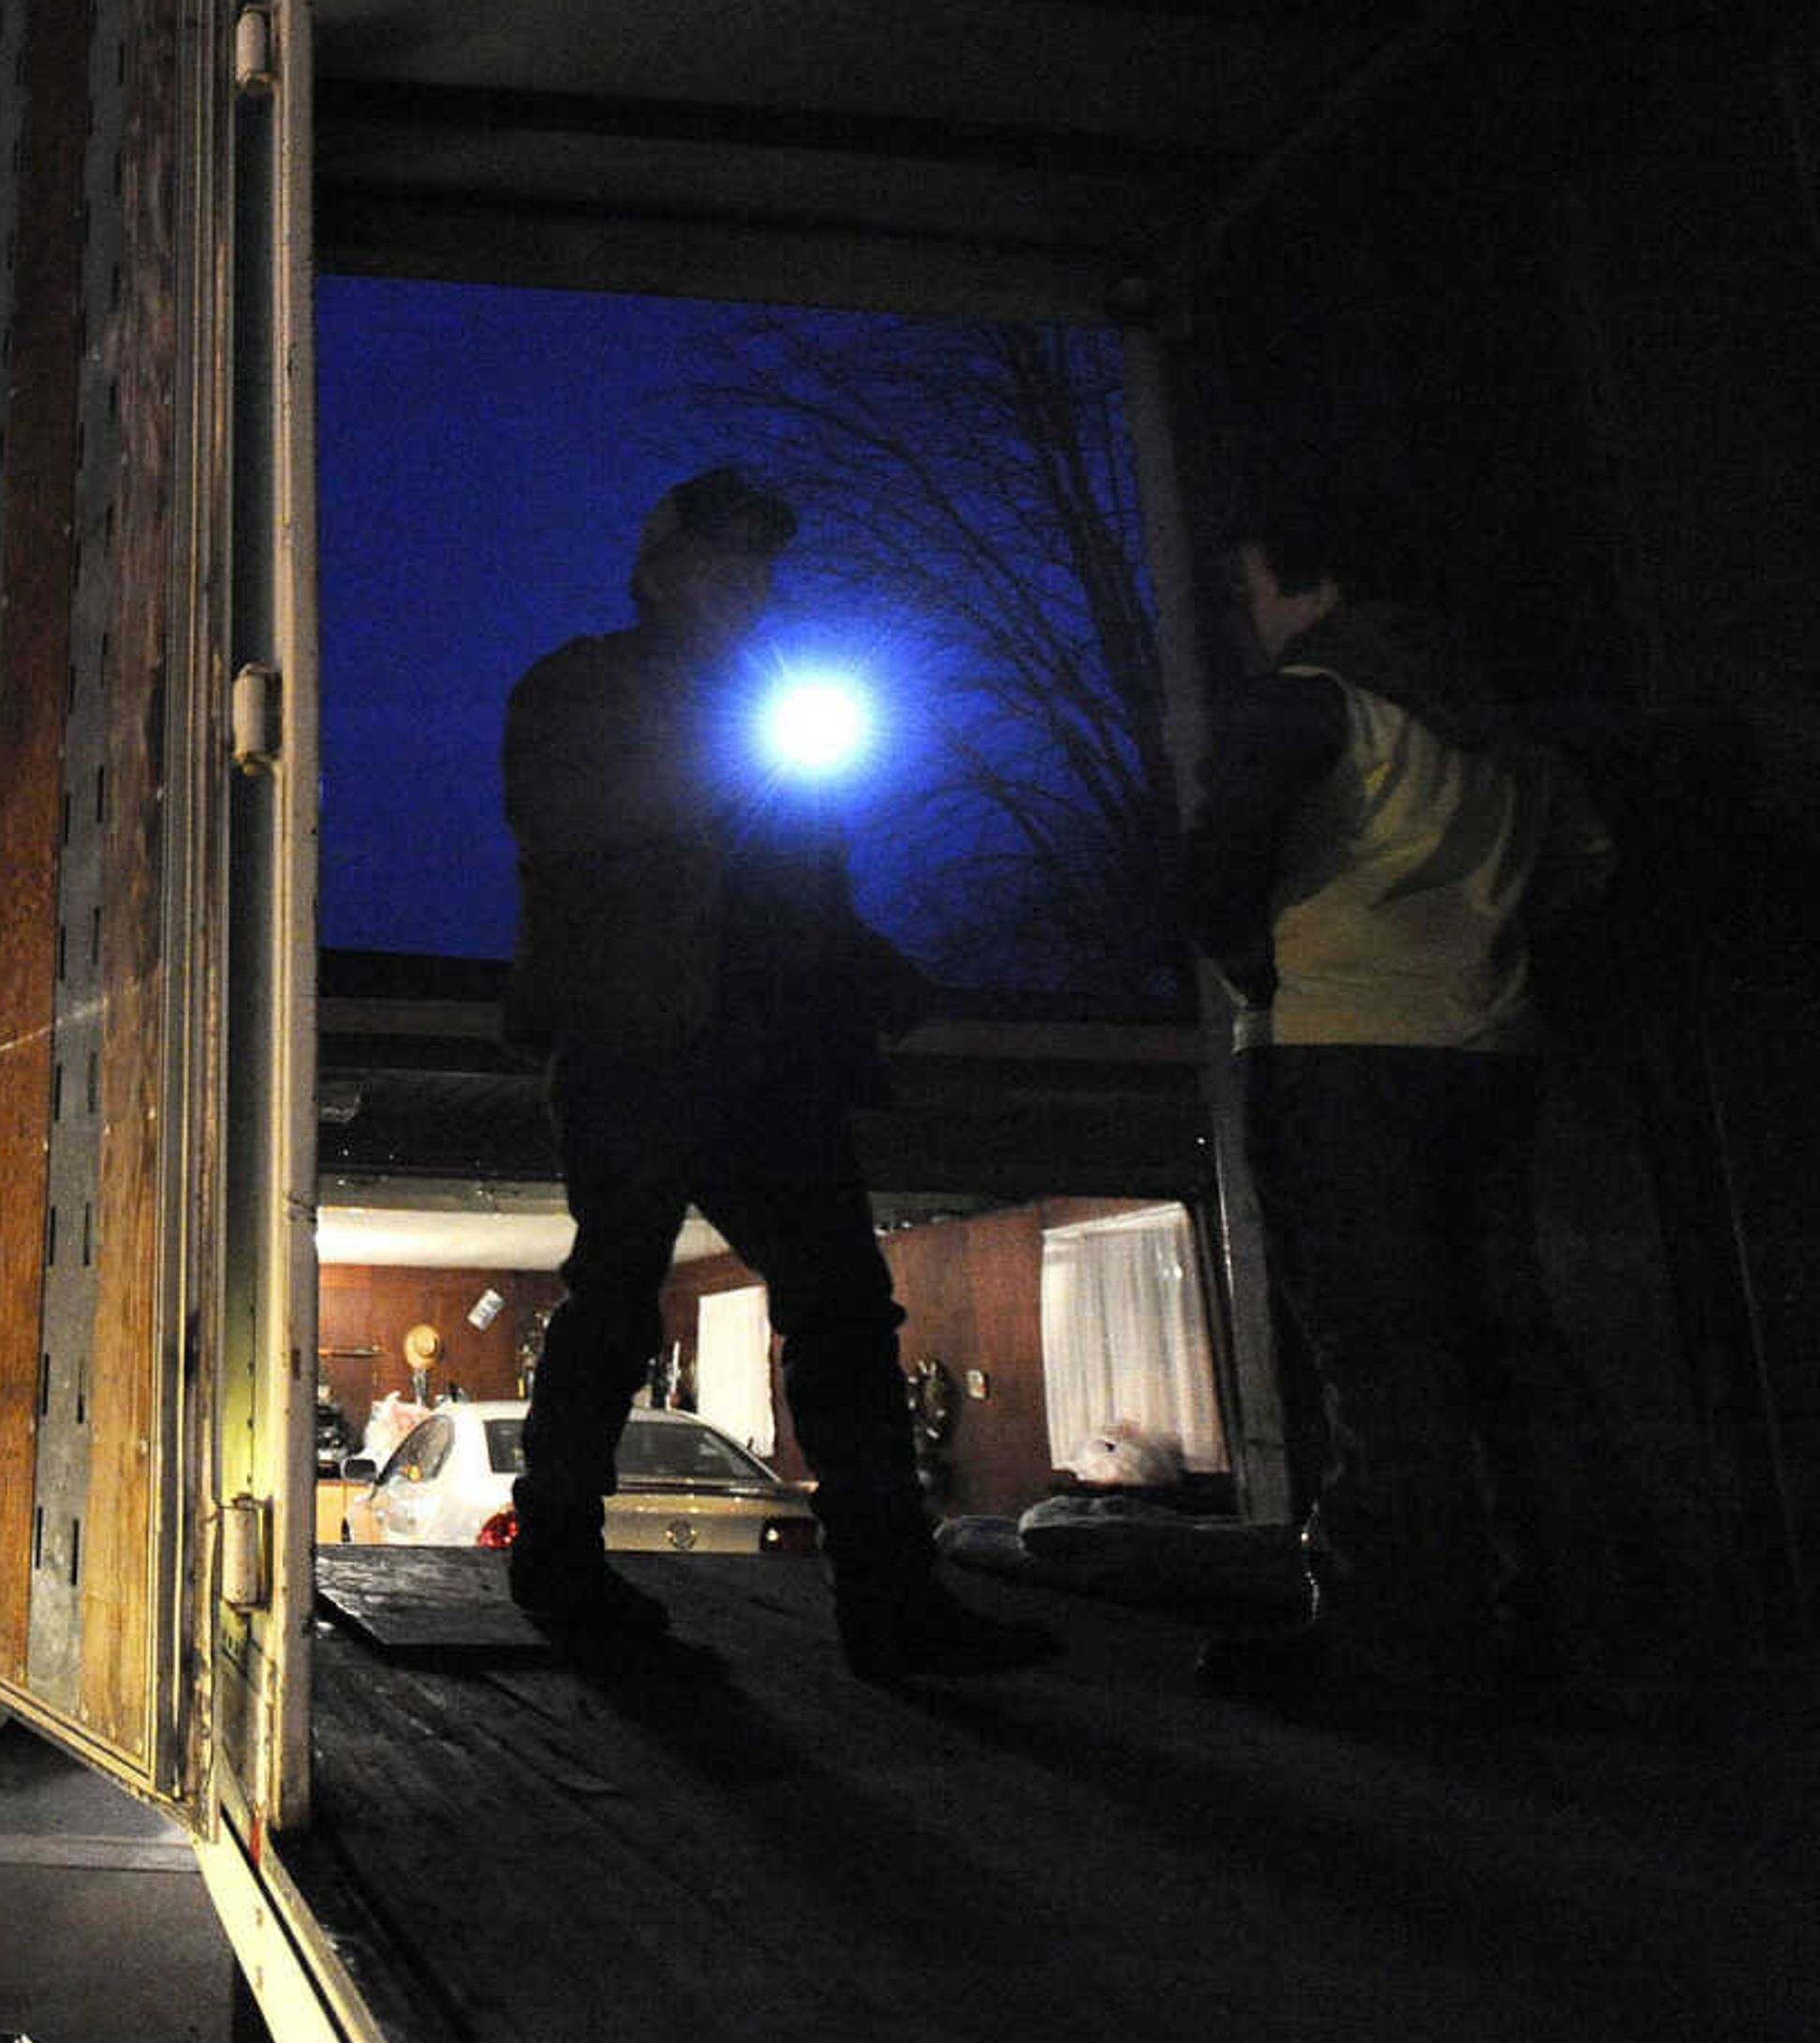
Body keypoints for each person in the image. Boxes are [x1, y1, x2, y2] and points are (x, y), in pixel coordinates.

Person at [499, 464, 1053, 1680]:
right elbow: (567, 829)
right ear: (663, 568)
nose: (748, 583)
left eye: (759, 563)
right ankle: (557, 1560)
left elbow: (797, 890)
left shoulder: (760, 701)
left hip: (776, 1058)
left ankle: (893, 1604)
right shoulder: (582, 686)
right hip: (638, 1045)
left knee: (844, 1315)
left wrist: (870, 965)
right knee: (617, 1300)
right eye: (725, 558)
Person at [1180, 520, 1609, 1710]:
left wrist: (1258, 964)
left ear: (1310, 586)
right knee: (1504, 1343)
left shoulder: (1314, 702)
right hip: (1488, 1051)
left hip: (1338, 1054)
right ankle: (1575, 1628)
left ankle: (1397, 1638)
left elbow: (1215, 873)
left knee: (1375, 1347)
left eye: (1250, 588)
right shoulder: (1493, 723)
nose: (1243, 617)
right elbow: (1584, 861)